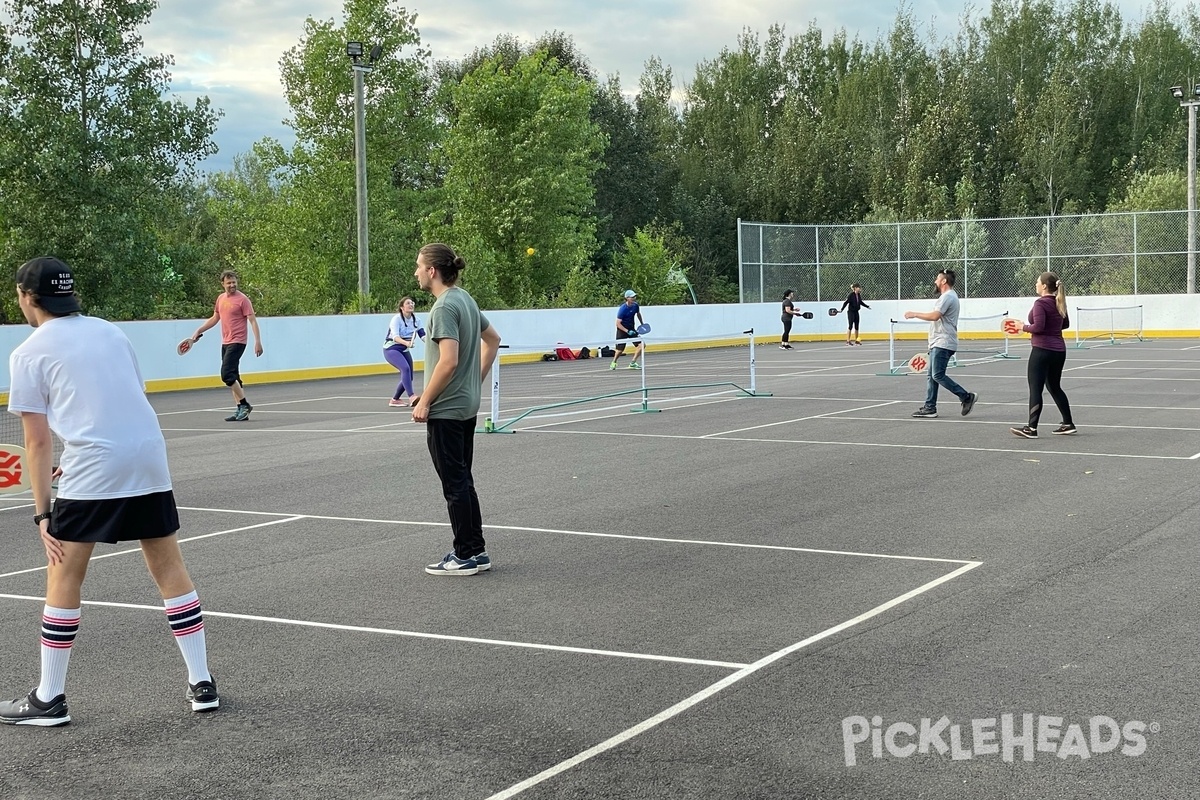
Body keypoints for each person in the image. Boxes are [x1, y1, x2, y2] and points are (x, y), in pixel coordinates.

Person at [1, 257, 218, 727]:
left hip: (96, 466)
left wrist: (42, 514)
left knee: (62, 574)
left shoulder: (28, 352)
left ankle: (49, 698)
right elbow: (123, 400)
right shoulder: (110, 331)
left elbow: (36, 442)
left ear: (26, 297)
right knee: (168, 566)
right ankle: (202, 683)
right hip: (146, 456)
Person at [410, 244, 501, 576]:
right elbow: (492, 340)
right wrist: (472, 382)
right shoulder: (466, 299)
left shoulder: (444, 307)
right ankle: (476, 550)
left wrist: (425, 401)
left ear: (432, 270)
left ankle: (464, 555)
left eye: (419, 266)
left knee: (454, 484)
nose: (416, 272)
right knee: (463, 479)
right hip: (464, 405)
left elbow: (448, 361)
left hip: (447, 410)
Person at [186, 270, 263, 422]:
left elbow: (252, 320)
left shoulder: (243, 300)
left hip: (238, 341)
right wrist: (199, 330)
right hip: (226, 342)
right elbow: (215, 318)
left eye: (234, 282)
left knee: (226, 374)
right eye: (229, 283)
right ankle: (240, 410)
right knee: (234, 376)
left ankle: (244, 405)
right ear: (223, 284)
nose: (232, 285)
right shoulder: (221, 299)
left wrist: (257, 341)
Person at [1006, 272, 1076, 438]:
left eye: (1037, 282)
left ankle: (1031, 428)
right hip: (1059, 351)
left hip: (1042, 351)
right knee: (1054, 387)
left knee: (1035, 388)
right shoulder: (1059, 302)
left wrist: (1022, 327)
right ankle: (1068, 423)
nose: (1036, 284)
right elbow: (1065, 324)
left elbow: (1038, 327)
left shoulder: (1040, 303)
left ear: (1044, 286)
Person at [903, 269, 978, 419]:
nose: (935, 282)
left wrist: (914, 314)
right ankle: (930, 407)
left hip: (943, 342)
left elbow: (935, 316)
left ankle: (966, 396)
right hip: (939, 341)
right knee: (932, 376)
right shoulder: (949, 296)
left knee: (937, 374)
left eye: (937, 279)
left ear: (944, 281)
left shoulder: (948, 297)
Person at [383, 296, 422, 407]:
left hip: (404, 350)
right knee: (405, 368)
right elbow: (395, 337)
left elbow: (423, 335)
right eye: (408, 303)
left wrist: (433, 343)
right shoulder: (396, 319)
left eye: (412, 303)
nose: (411, 305)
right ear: (402, 307)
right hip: (391, 348)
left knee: (409, 377)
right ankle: (412, 396)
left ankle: (395, 399)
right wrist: (407, 343)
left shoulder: (416, 320)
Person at [609, 289, 645, 370]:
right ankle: (614, 362)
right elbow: (618, 323)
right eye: (632, 297)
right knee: (620, 350)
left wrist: (642, 324)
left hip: (631, 328)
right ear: (627, 298)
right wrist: (627, 331)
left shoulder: (636, 306)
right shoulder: (623, 309)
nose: (634, 298)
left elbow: (638, 314)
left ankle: (633, 363)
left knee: (642, 345)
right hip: (622, 329)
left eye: (634, 296)